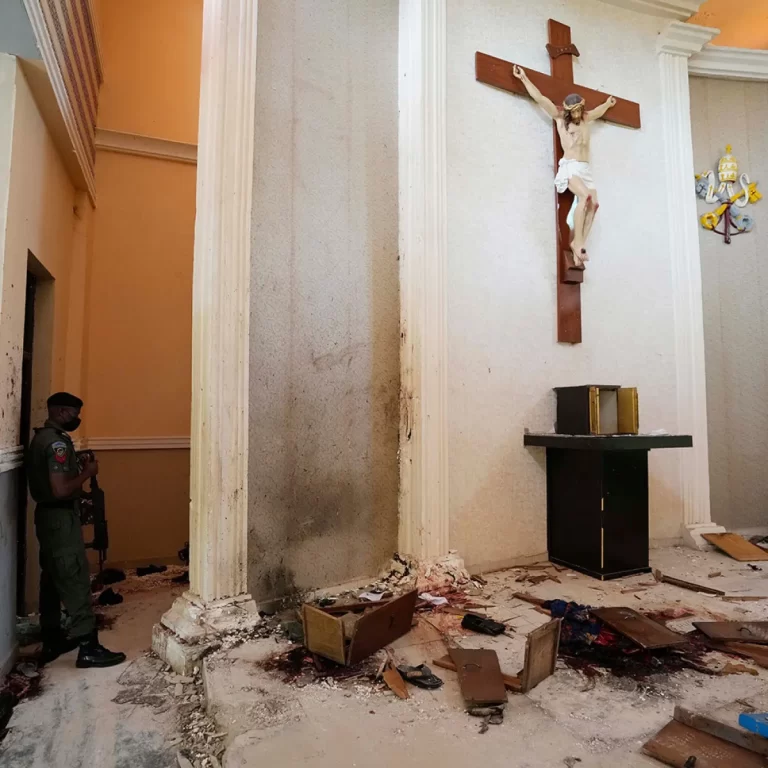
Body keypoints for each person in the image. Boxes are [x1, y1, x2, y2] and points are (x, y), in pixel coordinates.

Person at [26, 392, 125, 668]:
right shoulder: (56, 443)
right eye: (73, 413)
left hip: (48, 518)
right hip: (60, 519)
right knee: (74, 577)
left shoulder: (43, 438)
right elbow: (60, 489)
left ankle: (52, 637)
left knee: (52, 578)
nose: (76, 418)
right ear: (60, 411)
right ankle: (88, 647)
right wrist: (87, 473)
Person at [513, 64, 616, 267]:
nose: (577, 114)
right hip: (571, 167)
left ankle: (579, 243)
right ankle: (578, 244)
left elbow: (598, 112)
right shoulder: (560, 118)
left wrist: (607, 104)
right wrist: (523, 78)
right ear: (568, 111)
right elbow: (540, 98)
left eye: (579, 110)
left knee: (594, 205)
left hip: (585, 169)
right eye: (574, 111)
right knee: (585, 198)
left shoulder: (586, 118)